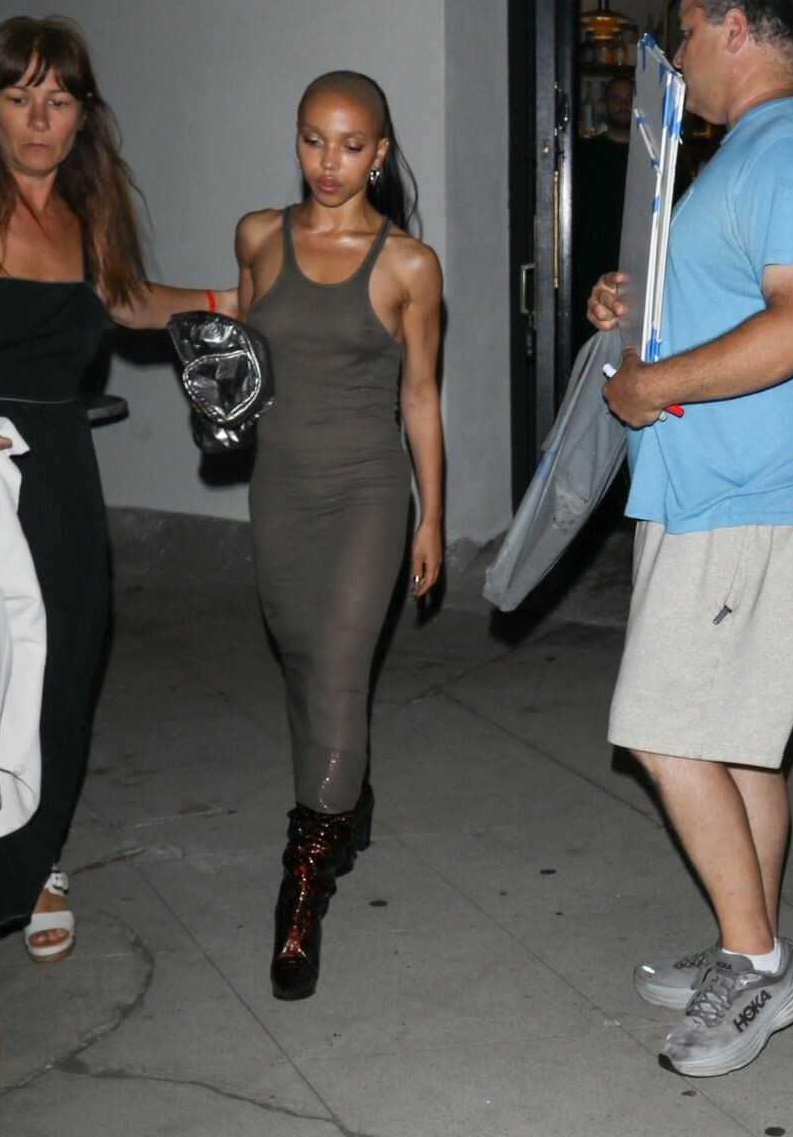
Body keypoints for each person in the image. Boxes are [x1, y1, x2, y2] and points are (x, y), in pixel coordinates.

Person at [0, 16, 235, 1110]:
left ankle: (40, 851)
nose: (38, 119)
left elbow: (125, 303)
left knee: (59, 688)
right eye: (17, 96)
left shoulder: (85, 211)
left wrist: (228, 302)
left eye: (58, 99)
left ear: (82, 115)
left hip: (57, 478)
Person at [587, 0, 793, 1076]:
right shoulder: (755, 152)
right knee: (738, 747)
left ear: (735, 28)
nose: (677, 58)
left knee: (661, 729)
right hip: (727, 494)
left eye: (685, 33)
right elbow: (730, 301)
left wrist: (653, 382)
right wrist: (636, 314)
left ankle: (756, 966)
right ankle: (746, 938)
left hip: (749, 499)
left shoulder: (792, 150)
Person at [234, 70, 443, 1001]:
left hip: (367, 494)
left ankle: (300, 896)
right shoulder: (257, 236)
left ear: (380, 153)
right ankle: (344, 798)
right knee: (300, 659)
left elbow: (420, 397)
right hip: (279, 486)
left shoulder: (408, 265)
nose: (330, 161)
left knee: (340, 672)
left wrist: (433, 515)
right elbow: (244, 360)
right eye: (314, 139)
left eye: (352, 145)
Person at [572, 75, 633, 350]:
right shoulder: (582, 156)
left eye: (629, 99)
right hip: (589, 272)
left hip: (636, 270)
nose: (623, 105)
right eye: (615, 99)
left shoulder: (654, 162)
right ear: (604, 107)